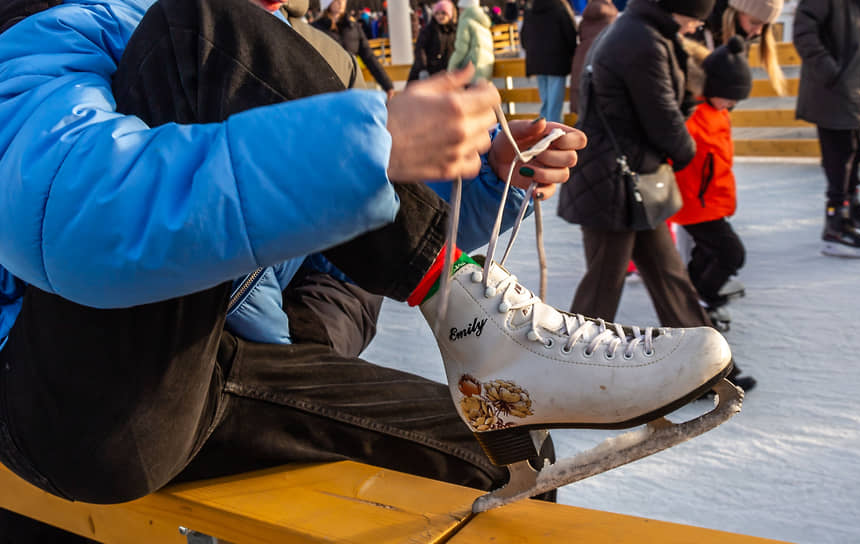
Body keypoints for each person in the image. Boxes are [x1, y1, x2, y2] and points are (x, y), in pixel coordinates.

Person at [0, 0, 733, 537]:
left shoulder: (274, 46)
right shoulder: (56, 30)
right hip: (56, 397)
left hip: (212, 369)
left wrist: (477, 179)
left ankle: (486, 332)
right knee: (198, 32)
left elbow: (339, 237)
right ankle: (475, 317)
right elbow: (74, 224)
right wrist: (366, 144)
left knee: (494, 446)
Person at [558, 0, 754, 392]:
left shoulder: (648, 32)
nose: (696, 28)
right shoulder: (641, 40)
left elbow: (667, 104)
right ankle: (565, 375)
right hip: (614, 182)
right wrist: (686, 150)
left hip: (634, 179)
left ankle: (707, 369)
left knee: (670, 277)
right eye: (695, 19)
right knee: (603, 286)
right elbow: (662, 116)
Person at [794, 0, 860, 258]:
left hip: (857, 85)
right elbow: (803, 31)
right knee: (840, 154)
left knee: (855, 150)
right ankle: (835, 222)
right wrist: (831, 72)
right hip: (831, 89)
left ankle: (851, 208)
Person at [670, 36, 752, 325]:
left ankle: (693, 296)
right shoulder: (693, 116)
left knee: (707, 254)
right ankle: (702, 298)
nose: (732, 104)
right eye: (730, 96)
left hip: (711, 200)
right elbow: (673, 150)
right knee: (732, 254)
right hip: (696, 202)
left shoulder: (718, 112)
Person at [692, 0, 785, 97]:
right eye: (754, 22)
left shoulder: (743, 37)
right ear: (736, 12)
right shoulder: (697, 28)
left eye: (765, 26)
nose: (758, 32)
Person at [312, 0, 397, 97]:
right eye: (336, 0)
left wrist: (387, 85)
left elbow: (369, 58)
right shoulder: (315, 30)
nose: (341, 3)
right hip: (328, 92)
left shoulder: (353, 27)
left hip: (353, 87)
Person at [521, 0, 578, 123]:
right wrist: (571, 52)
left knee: (546, 102)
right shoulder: (560, 7)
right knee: (554, 105)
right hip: (557, 60)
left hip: (536, 60)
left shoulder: (531, 7)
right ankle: (553, 134)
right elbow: (570, 33)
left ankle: (543, 131)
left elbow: (524, 37)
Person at [568, 0, 618, 115]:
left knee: (583, 105)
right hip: (603, 58)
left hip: (582, 59)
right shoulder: (612, 19)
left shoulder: (585, 19)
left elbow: (579, 35)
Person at [408, 0, 458, 82]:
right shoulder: (428, 30)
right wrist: (423, 69)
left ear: (450, 15)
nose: (440, 16)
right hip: (429, 72)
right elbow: (420, 50)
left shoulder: (454, 31)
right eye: (437, 13)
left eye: (443, 13)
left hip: (448, 74)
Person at [448, 0, 495, 81]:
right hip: (485, 68)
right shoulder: (483, 22)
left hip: (471, 70)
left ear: (463, 8)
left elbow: (461, 50)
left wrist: (450, 68)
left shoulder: (465, 22)